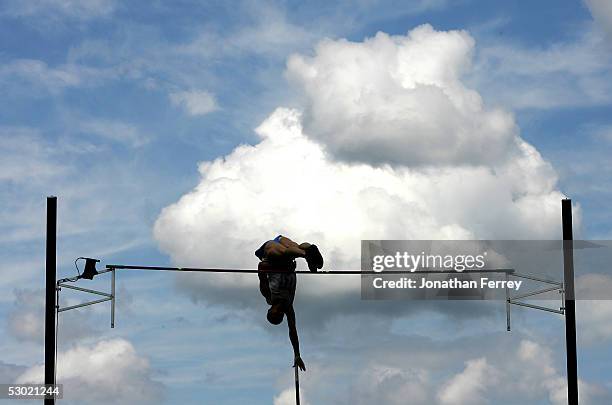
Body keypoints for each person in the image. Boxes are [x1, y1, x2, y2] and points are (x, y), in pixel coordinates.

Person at [255, 235, 323, 372]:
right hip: (287, 259)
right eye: (279, 317)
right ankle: (308, 250)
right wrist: (297, 354)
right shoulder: (288, 307)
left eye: (274, 315)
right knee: (294, 248)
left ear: (269, 310)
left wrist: (269, 267)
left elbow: (261, 268)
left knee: (284, 254)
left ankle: (307, 255)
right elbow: (292, 331)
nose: (278, 313)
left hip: (270, 254)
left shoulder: (268, 294)